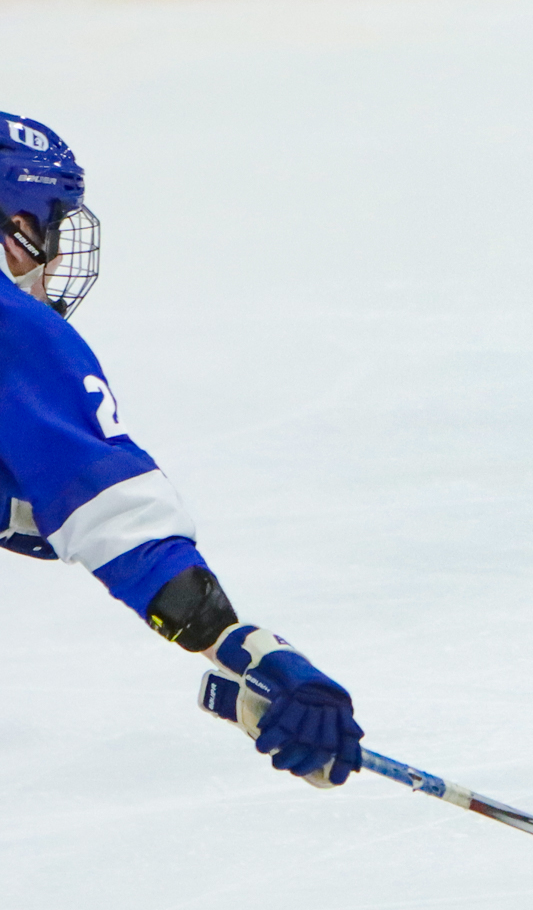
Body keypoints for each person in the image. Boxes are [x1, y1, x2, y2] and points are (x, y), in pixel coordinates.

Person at [2, 111, 362, 787]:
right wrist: (243, 650)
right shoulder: (12, 326)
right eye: (45, 223)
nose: (49, 255)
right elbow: (115, 518)